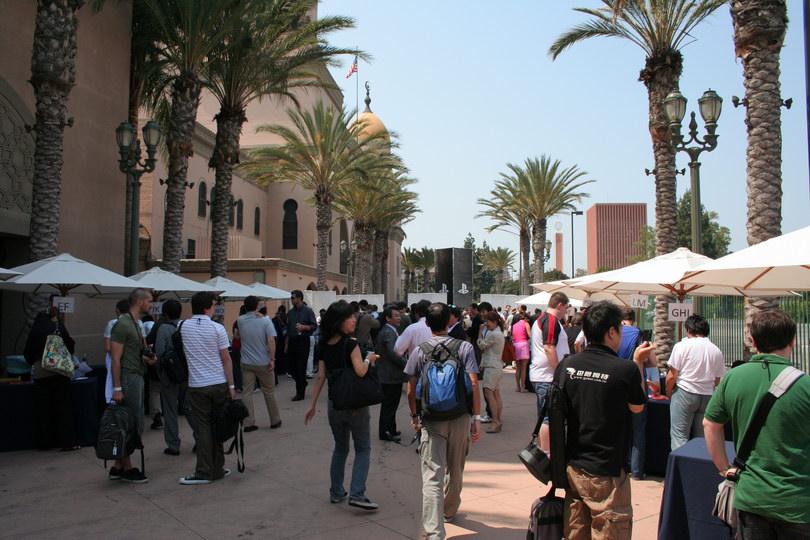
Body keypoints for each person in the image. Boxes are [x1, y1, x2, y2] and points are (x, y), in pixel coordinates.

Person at [703, 309, 810, 539]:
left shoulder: (733, 377)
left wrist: (724, 468)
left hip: (751, 497)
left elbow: (710, 424)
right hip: (797, 501)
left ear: (752, 340)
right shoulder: (805, 385)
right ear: (792, 341)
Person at [554, 301, 654, 540]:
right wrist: (639, 362)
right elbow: (638, 407)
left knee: (575, 532)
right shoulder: (626, 369)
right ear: (611, 331)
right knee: (610, 531)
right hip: (608, 471)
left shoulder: (567, 365)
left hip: (574, 466)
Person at [406, 303, 481, 539]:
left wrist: (415, 416)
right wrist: (477, 418)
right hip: (460, 416)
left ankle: (434, 531)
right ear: (449, 321)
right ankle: (449, 509)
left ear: (427, 323)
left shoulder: (420, 351)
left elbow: (410, 390)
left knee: (432, 474)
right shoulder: (464, 347)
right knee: (456, 468)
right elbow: (474, 383)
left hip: (431, 419)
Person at [305, 300, 380, 511]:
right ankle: (357, 494)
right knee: (363, 448)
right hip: (355, 403)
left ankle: (336, 491)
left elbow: (321, 377)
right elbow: (361, 372)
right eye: (349, 317)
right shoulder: (350, 344)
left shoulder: (323, 345)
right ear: (339, 321)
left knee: (340, 448)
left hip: (334, 404)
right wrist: (369, 359)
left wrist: (312, 405)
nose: (353, 320)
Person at [178, 291, 236, 485]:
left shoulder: (184, 326)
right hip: (218, 383)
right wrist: (231, 385)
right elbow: (226, 358)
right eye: (213, 305)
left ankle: (205, 470)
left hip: (198, 384)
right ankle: (217, 467)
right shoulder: (217, 329)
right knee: (217, 425)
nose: (214, 308)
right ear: (206, 308)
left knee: (203, 428)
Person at [109, 288, 155, 483]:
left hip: (137, 374)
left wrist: (146, 358)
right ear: (139, 302)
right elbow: (115, 357)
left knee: (135, 420)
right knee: (130, 422)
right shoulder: (123, 325)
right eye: (149, 301)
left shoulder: (136, 324)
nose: (151, 304)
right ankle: (127, 466)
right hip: (128, 377)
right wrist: (117, 388)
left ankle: (118, 465)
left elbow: (133, 351)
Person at [666, 314, 725, 450]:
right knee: (702, 439)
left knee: (679, 437)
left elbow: (672, 376)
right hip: (707, 395)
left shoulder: (682, 346)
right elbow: (717, 380)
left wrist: (669, 393)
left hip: (684, 392)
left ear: (689, 330)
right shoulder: (716, 350)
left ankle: (681, 463)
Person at [24, 306, 78, 451]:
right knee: (63, 406)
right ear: (54, 317)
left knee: (43, 409)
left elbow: (27, 353)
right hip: (59, 370)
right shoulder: (58, 326)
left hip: (41, 372)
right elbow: (70, 346)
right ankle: (66, 442)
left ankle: (45, 442)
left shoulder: (35, 330)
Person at [616, 307, 657, 479]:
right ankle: (637, 471)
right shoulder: (641, 335)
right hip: (638, 384)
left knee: (618, 428)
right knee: (638, 430)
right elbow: (652, 362)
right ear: (633, 319)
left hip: (618, 385)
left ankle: (619, 466)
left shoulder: (614, 334)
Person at [153, 299, 196, 456]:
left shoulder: (163, 329)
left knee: (170, 410)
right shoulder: (186, 326)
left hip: (169, 374)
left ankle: (173, 444)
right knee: (189, 407)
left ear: (165, 314)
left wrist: (159, 372)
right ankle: (200, 438)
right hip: (186, 372)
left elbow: (159, 352)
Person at [529, 292, 570, 450]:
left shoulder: (543, 320)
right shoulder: (550, 320)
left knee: (545, 416)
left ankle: (543, 451)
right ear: (560, 305)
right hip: (547, 377)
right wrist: (559, 373)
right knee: (548, 418)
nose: (566, 311)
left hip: (543, 376)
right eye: (566, 308)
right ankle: (547, 453)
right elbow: (549, 347)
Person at [238, 296, 282, 432]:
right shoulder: (265, 321)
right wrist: (272, 359)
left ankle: (248, 422)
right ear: (258, 306)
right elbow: (271, 340)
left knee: (247, 392)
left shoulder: (240, 320)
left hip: (246, 361)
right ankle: (275, 420)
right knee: (269, 391)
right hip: (263, 361)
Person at [375, 305, 407, 442]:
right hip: (390, 375)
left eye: (399, 315)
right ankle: (386, 432)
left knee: (391, 404)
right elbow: (393, 353)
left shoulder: (390, 330)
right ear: (388, 318)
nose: (399, 318)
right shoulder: (388, 332)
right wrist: (407, 364)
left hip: (390, 374)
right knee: (389, 404)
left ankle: (390, 429)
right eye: (396, 316)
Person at [285, 290, 317, 401]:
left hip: (303, 340)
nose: (291, 299)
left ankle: (300, 393)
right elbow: (288, 329)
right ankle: (302, 382)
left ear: (299, 298)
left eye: (293, 298)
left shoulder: (308, 311)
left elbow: (314, 326)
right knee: (290, 367)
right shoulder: (291, 312)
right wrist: (286, 344)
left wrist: (304, 327)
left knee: (301, 367)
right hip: (292, 341)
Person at [477, 312, 505, 433]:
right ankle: (497, 419)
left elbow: (481, 345)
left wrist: (480, 332)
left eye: (488, 321)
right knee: (495, 393)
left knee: (489, 393)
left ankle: (495, 421)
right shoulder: (498, 333)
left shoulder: (494, 334)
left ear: (494, 322)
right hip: (496, 365)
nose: (486, 324)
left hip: (492, 367)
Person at [104, 299, 129, 404]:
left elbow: (107, 347)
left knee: (115, 382)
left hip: (117, 359)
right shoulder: (138, 323)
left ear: (117, 310)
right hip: (131, 361)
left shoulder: (113, 323)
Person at [511, 311, 531, 393]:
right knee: (524, 367)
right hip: (523, 344)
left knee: (518, 367)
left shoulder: (514, 325)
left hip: (515, 345)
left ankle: (518, 387)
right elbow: (530, 335)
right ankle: (522, 387)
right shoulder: (526, 324)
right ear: (526, 318)